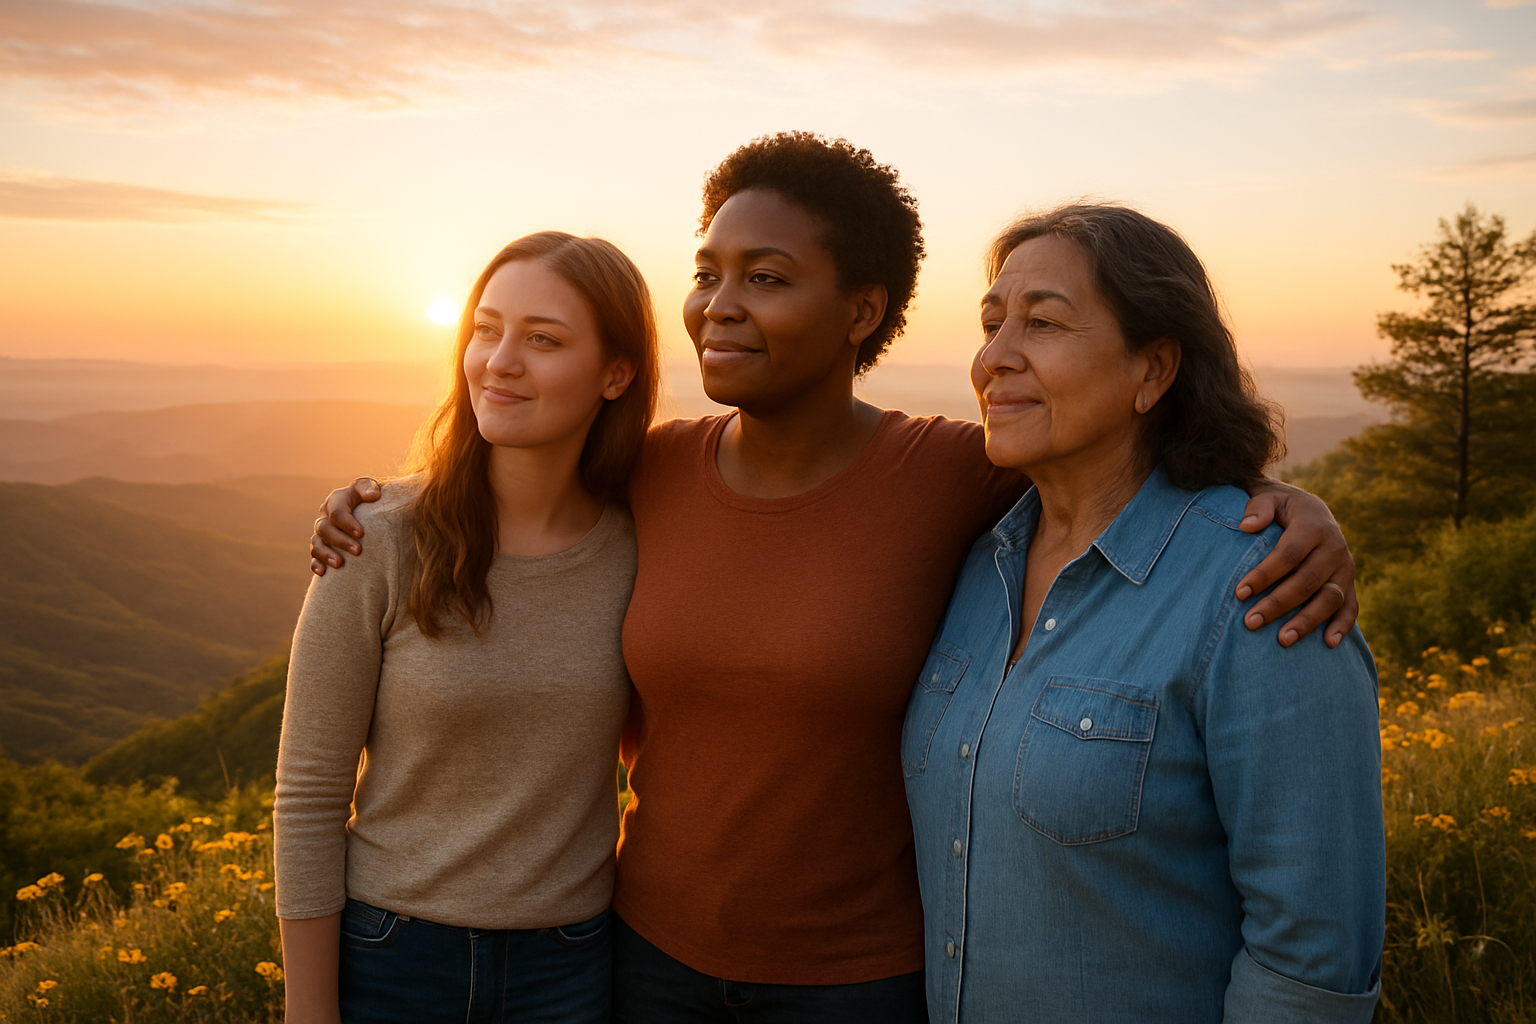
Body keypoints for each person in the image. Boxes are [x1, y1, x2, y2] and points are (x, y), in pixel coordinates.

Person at [309, 134, 1361, 1022]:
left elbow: (1112, 483)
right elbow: (513, 478)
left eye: (765, 277)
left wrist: (1285, 509)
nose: (720, 303)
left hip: (861, 984)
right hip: (639, 960)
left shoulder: (951, 474)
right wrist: (369, 506)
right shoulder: (652, 469)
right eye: (709, 270)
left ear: (862, 312)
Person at [904, 204, 1384, 1024]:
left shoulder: (1260, 592)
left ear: (1154, 370)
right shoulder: (973, 565)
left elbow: (1311, 960)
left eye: (1043, 324)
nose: (994, 359)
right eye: (991, 324)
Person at [275, 231, 658, 1024]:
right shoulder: (375, 537)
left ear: (616, 374)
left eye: (543, 339)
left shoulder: (648, 543)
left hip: (573, 968)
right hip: (392, 958)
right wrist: (310, 1013)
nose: (500, 361)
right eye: (486, 329)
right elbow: (310, 795)